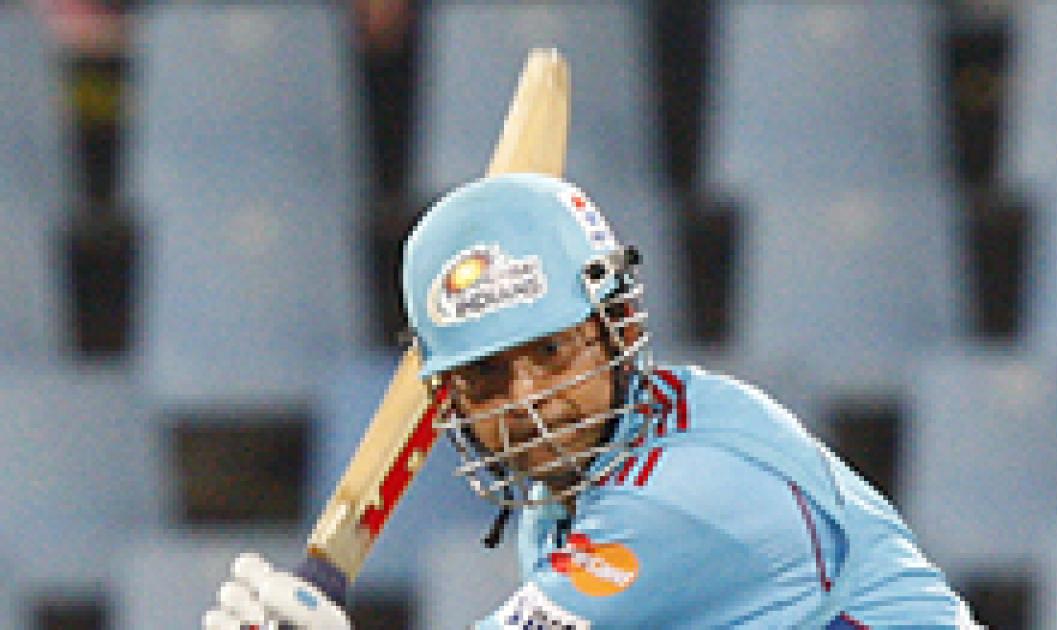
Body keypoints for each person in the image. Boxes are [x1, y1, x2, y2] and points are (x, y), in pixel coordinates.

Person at [205, 173, 979, 628]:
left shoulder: (687, 496)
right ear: (449, 401)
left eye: (551, 351)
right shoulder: (568, 497)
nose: (530, 401)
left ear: (620, 329)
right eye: (487, 376)